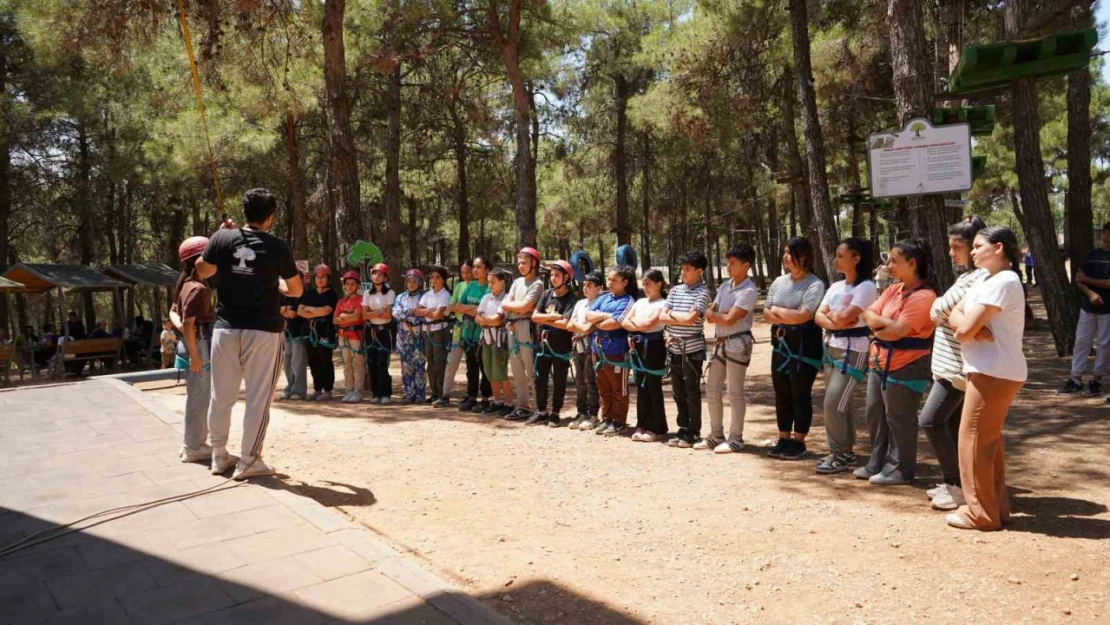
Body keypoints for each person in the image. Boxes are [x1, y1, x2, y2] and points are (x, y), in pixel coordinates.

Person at [195, 188, 303, 480]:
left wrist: (218, 238)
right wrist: (278, 283)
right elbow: (296, 290)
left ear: (244, 212)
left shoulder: (222, 238)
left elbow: (201, 270)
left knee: (222, 395)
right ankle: (249, 460)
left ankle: (219, 455)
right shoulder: (277, 246)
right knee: (258, 398)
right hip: (264, 330)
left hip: (226, 328)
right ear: (270, 217)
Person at [945, 226, 1027, 531]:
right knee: (987, 442)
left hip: (994, 371)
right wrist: (966, 325)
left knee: (973, 442)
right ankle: (997, 509)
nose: (973, 250)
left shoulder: (1004, 280)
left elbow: (964, 328)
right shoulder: (986, 279)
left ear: (1000, 248)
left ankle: (980, 513)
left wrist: (967, 326)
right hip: (990, 369)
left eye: (979, 246)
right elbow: (955, 314)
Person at [856, 239, 938, 485]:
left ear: (912, 263)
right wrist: (882, 326)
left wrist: (881, 326)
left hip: (907, 365)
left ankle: (900, 468)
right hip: (880, 362)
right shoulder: (893, 289)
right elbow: (868, 314)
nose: (889, 265)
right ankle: (877, 462)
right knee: (875, 414)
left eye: (894, 261)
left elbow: (900, 330)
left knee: (900, 418)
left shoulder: (924, 296)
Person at [920, 216, 988, 510]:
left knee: (931, 421)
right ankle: (958, 482)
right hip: (949, 366)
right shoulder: (965, 278)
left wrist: (942, 310)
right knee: (952, 425)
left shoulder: (979, 279)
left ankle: (956, 484)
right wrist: (943, 310)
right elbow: (940, 309)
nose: (953, 253)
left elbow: (937, 309)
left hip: (958, 368)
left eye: (957, 247)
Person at [813, 238, 877, 473]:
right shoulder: (836, 286)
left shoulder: (867, 287)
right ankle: (846, 452)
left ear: (856, 258)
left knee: (832, 403)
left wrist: (834, 319)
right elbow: (819, 316)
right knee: (842, 404)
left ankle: (837, 453)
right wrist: (837, 321)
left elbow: (843, 317)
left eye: (840, 255)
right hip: (831, 349)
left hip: (853, 351)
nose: (835, 260)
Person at [763, 237, 826, 460]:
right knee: (781, 393)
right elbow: (765, 313)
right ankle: (783, 437)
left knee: (800, 393)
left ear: (805, 256)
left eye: (790, 252)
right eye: (784, 252)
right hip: (780, 346)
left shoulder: (815, 284)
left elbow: (803, 316)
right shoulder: (779, 282)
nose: (785, 256)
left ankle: (798, 440)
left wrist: (779, 312)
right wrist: (786, 314)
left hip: (804, 347)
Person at [702, 244, 759, 454]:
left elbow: (726, 318)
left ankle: (736, 438)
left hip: (737, 344)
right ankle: (716, 434)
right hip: (720, 343)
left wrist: (722, 316)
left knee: (735, 392)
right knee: (712, 389)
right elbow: (714, 313)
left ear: (746, 265)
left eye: (733, 263)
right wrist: (723, 315)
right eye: (728, 262)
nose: (728, 266)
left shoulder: (749, 291)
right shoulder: (725, 286)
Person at [170, 235, 216, 464]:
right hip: (200, 346)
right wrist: (196, 355)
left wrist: (185, 331)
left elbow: (174, 314)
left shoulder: (184, 285)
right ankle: (194, 447)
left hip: (192, 344)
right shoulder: (198, 289)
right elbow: (189, 324)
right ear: (199, 261)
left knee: (195, 395)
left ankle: (191, 441)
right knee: (200, 396)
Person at [661, 251, 712, 449]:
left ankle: (694, 430)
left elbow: (691, 319)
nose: (683, 272)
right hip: (674, 348)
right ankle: (682, 428)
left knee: (691, 391)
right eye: (682, 268)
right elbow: (662, 316)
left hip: (692, 350)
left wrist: (672, 315)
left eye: (688, 269)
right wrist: (678, 315)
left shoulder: (703, 292)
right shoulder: (675, 290)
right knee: (677, 392)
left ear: (699, 271)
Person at [585, 266, 637, 436]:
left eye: (614, 280)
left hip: (616, 351)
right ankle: (606, 418)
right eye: (609, 279)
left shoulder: (627, 300)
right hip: (598, 351)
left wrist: (600, 319)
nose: (610, 283)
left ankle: (619, 421)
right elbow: (588, 315)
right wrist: (606, 316)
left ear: (625, 282)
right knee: (603, 387)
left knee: (618, 388)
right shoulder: (605, 297)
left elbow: (615, 323)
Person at [1063, 222, 1110, 396]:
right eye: (1105, 233)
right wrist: (1090, 294)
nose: (1106, 237)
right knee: (1082, 341)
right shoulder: (1092, 255)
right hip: (1087, 307)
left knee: (1105, 344)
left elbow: (1108, 283)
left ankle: (1096, 379)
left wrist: (1087, 279)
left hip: (1108, 309)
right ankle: (1076, 378)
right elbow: (1078, 279)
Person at [530, 260, 578, 427]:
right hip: (543, 344)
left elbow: (566, 324)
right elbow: (535, 317)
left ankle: (556, 412)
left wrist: (547, 319)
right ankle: (541, 411)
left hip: (560, 345)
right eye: (552, 275)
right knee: (540, 378)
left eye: (557, 275)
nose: (553, 278)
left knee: (559, 380)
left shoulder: (571, 299)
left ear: (566, 277)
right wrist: (555, 317)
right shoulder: (546, 294)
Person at [622, 269, 669, 442]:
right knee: (640, 386)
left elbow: (651, 324)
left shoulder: (664, 303)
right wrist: (638, 327)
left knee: (653, 386)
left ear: (659, 283)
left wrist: (635, 325)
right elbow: (624, 321)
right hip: (637, 346)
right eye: (643, 284)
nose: (645, 287)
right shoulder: (640, 302)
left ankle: (656, 426)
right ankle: (641, 424)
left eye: (648, 283)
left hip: (654, 346)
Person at [500, 247, 544, 421]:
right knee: (517, 369)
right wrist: (515, 306)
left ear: (534, 263)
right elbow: (506, 303)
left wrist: (513, 306)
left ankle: (539, 407)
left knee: (531, 368)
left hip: (527, 327)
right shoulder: (517, 282)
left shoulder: (537, 284)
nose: (520, 265)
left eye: (524, 262)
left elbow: (526, 306)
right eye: (519, 262)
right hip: (513, 327)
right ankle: (522, 405)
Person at [456, 258, 493, 413]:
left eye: (479, 267)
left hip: (482, 334)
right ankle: (472, 397)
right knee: (471, 367)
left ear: (487, 270)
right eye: (474, 267)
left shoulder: (489, 288)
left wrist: (470, 309)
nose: (475, 270)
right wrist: (475, 309)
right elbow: (458, 306)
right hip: (468, 333)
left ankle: (486, 399)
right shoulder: (471, 285)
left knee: (484, 367)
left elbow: (485, 310)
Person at [567, 271, 603, 431]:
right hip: (578, 347)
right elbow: (569, 324)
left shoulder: (600, 304)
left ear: (599, 288)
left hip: (592, 348)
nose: (585, 288)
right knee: (580, 381)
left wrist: (579, 328)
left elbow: (589, 329)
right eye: (584, 285)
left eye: (589, 285)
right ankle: (581, 412)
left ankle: (593, 414)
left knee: (591, 381)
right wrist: (581, 328)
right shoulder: (580, 304)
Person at [476, 268, 514, 416]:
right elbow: (477, 318)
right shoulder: (486, 298)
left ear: (502, 283)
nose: (490, 285)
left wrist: (485, 318)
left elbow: (497, 319)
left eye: (493, 282)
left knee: (501, 372)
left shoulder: (506, 299)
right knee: (489, 372)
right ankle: (497, 401)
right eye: (489, 282)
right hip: (486, 338)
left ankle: (509, 403)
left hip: (499, 340)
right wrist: (487, 319)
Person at [299, 265, 338, 401]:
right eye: (318, 277)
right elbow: (299, 311)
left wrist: (309, 310)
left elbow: (327, 311)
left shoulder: (331, 294)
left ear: (328, 279)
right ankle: (317, 389)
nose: (320, 280)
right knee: (313, 361)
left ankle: (327, 389)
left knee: (325, 360)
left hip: (325, 331)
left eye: (323, 277)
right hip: (309, 331)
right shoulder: (309, 293)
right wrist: (316, 310)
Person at [438, 260, 474, 407]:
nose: (465, 275)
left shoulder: (478, 286)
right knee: (451, 362)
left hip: (473, 331)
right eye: (463, 272)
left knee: (472, 365)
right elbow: (451, 306)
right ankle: (445, 394)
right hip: (459, 330)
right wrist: (465, 308)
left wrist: (460, 308)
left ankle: (472, 395)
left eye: (468, 272)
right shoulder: (459, 286)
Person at [416, 266, 452, 405]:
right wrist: (430, 311)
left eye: (438, 277)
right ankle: (434, 392)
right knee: (430, 362)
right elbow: (417, 311)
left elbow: (439, 314)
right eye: (432, 277)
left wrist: (427, 311)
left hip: (439, 330)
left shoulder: (446, 295)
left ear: (443, 279)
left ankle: (442, 393)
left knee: (440, 362)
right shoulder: (427, 294)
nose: (434, 280)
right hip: (427, 330)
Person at [362, 263, 396, 404]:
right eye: (375, 273)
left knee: (382, 362)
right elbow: (364, 315)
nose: (377, 276)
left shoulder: (390, 293)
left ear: (385, 277)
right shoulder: (366, 294)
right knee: (372, 362)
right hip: (370, 332)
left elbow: (388, 315)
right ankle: (375, 393)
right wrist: (378, 312)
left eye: (380, 274)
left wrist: (373, 313)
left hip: (384, 332)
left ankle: (385, 393)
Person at [393, 268, 427, 403]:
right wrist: (412, 311)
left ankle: (420, 394)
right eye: (409, 281)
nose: (411, 284)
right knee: (406, 365)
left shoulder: (424, 296)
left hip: (419, 334)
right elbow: (395, 314)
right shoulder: (400, 297)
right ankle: (408, 393)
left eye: (415, 281)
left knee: (419, 364)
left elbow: (423, 314)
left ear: (420, 283)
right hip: (403, 335)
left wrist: (407, 313)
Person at [334, 270, 366, 403]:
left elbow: (358, 316)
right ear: (344, 286)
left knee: (357, 364)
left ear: (358, 285)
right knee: (347, 364)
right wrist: (346, 318)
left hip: (356, 336)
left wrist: (343, 317)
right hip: (343, 336)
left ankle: (358, 390)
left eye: (353, 284)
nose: (350, 286)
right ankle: (349, 389)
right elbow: (334, 320)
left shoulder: (362, 300)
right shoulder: (341, 302)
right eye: (347, 284)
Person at [280, 288, 307, 400]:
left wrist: (284, 310)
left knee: (297, 362)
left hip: (298, 332)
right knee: (287, 362)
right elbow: (278, 310)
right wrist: (286, 309)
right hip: (286, 332)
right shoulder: (284, 295)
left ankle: (299, 390)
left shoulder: (301, 294)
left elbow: (293, 314)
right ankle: (291, 387)